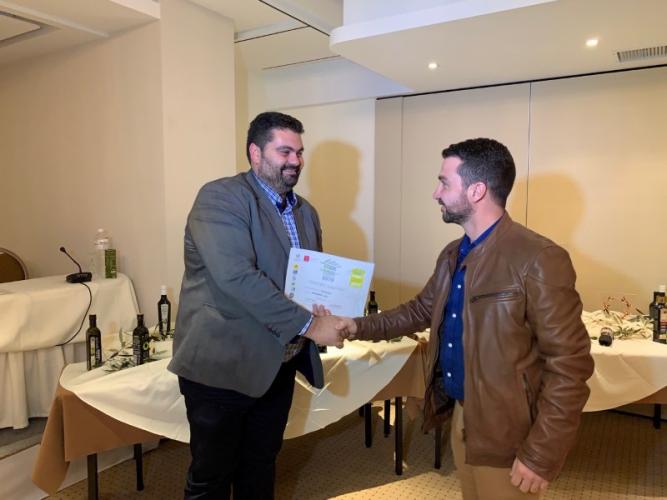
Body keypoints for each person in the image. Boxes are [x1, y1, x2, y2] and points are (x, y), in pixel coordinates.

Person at [338, 138, 594, 499]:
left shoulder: (539, 258)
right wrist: (354, 326)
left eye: (444, 182)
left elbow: (570, 364)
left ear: (476, 191)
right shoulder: (453, 254)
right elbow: (420, 310)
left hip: (507, 428)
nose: (435, 193)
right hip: (462, 414)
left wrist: (541, 453)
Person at [168, 111, 344, 499]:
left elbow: (307, 280)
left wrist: (327, 308)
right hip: (222, 367)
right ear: (255, 153)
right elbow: (236, 277)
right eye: (285, 151)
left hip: (278, 365)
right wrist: (312, 326)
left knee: (260, 467)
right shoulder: (220, 198)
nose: (295, 161)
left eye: (299, 152)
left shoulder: (306, 212)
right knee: (211, 478)